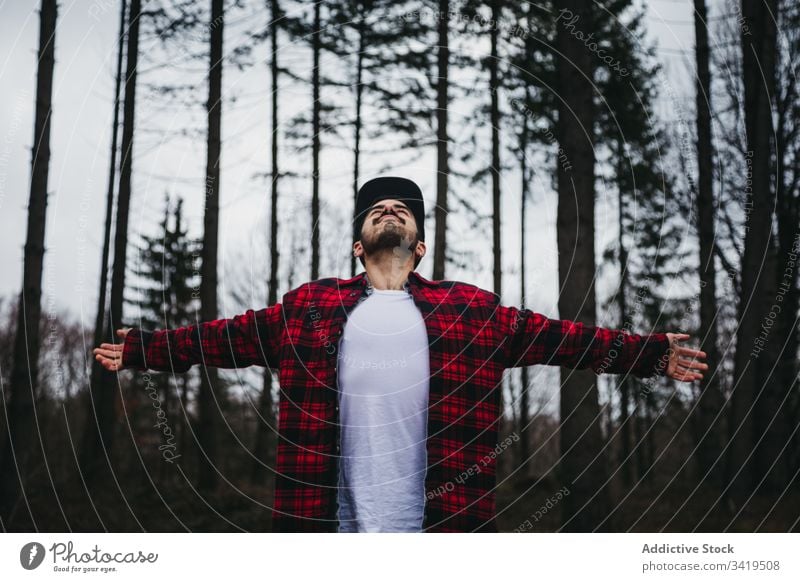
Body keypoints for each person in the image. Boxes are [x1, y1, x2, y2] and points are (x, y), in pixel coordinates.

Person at [93, 176, 708, 533]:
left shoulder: (472, 310)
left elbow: (563, 339)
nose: (389, 211)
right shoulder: (308, 306)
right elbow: (222, 338)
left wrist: (650, 355)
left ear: (419, 245)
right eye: (375, 210)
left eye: (402, 209)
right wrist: (144, 349)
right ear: (358, 246)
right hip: (323, 527)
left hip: (444, 527)